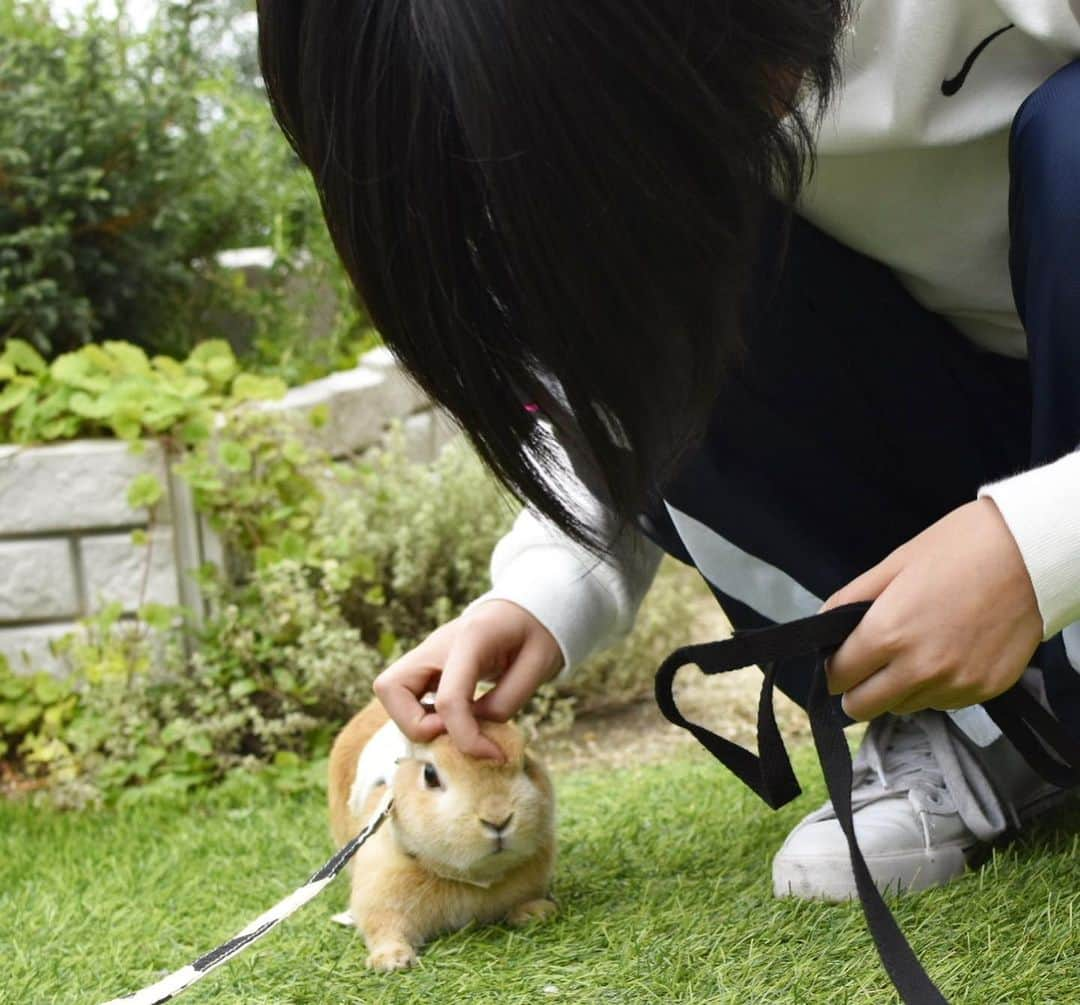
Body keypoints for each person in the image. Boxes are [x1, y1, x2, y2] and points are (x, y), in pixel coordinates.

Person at [256, 1, 1080, 900]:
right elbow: (625, 384)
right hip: (964, 407)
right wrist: (541, 593)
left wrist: (1039, 543)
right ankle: (1003, 729)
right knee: (659, 274)